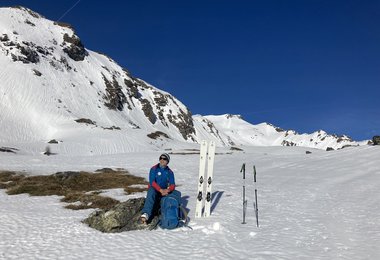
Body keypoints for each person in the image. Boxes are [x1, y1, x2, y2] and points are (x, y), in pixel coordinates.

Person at [140, 153, 177, 223]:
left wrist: (168, 190)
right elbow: (152, 182)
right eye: (161, 158)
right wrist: (160, 190)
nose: (162, 160)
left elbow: (173, 185)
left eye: (164, 159)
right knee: (151, 190)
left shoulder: (170, 172)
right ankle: (146, 213)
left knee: (175, 194)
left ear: (168, 161)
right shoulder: (154, 169)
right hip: (155, 190)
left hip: (164, 192)